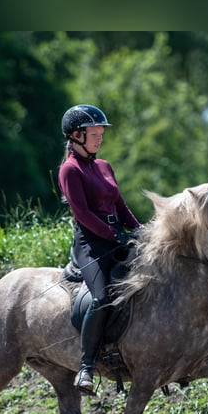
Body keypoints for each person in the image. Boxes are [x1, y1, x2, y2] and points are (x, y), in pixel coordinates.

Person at [58, 104, 142, 396]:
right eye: (93, 134)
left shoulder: (104, 166)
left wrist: (140, 230)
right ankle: (86, 367)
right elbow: (82, 214)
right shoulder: (69, 170)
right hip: (90, 244)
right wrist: (113, 235)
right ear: (76, 135)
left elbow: (121, 206)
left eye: (100, 133)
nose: (99, 138)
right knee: (101, 296)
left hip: (116, 236)